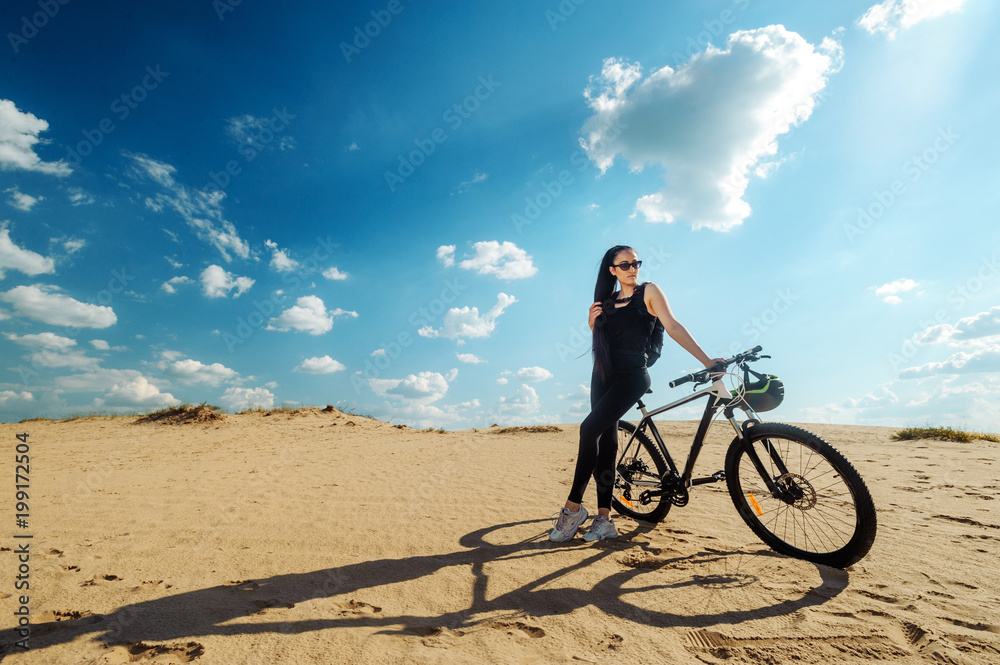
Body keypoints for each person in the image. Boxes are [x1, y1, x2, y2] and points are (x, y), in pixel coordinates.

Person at [550, 245, 722, 543]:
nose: (632, 269)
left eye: (635, 263)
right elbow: (605, 342)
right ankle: (604, 520)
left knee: (587, 430)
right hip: (602, 375)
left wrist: (707, 361)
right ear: (612, 270)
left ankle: (572, 509)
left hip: (633, 376)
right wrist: (592, 325)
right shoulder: (604, 302)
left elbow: (673, 325)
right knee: (606, 439)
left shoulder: (649, 292)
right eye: (625, 265)